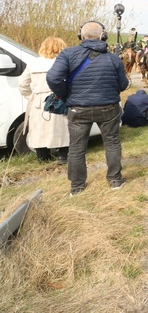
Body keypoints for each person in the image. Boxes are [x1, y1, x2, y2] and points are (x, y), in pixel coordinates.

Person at [47, 21, 130, 196]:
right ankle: (115, 180)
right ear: (103, 36)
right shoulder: (114, 59)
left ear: (81, 35)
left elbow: (53, 78)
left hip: (78, 108)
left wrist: (65, 94)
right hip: (108, 108)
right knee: (112, 143)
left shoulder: (67, 54)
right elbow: (123, 85)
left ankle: (77, 187)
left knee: (76, 147)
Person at [18, 37, 70, 164]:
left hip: (39, 100)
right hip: (59, 98)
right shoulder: (64, 63)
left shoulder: (33, 63)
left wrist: (31, 96)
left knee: (39, 129)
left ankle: (43, 158)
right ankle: (63, 156)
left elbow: (22, 84)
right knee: (62, 128)